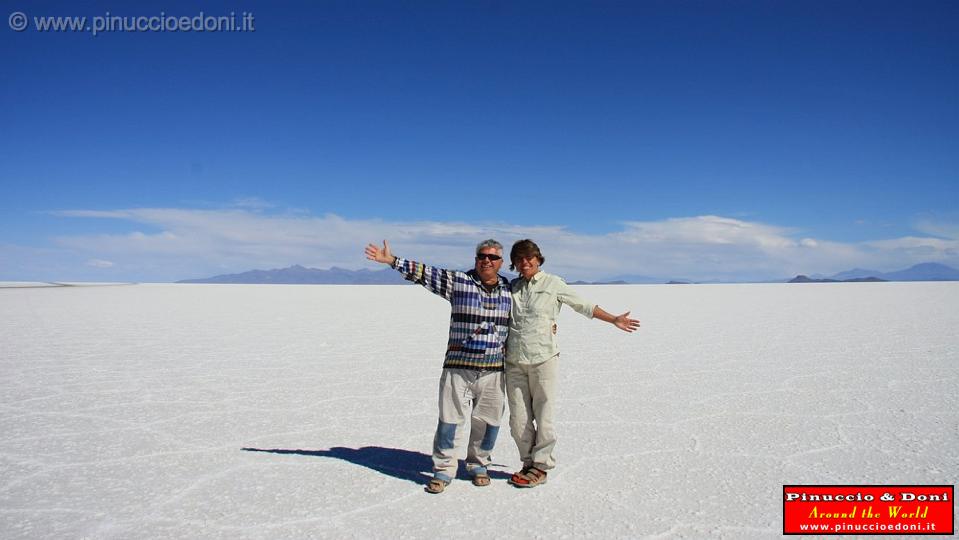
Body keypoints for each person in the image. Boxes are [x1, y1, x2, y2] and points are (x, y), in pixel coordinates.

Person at [364, 239, 512, 494]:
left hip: (495, 371)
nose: (486, 260)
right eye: (482, 255)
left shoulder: (511, 290)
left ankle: (479, 465)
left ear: (501, 262)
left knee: (488, 423)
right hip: (458, 369)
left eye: (492, 257)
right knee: (450, 421)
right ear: (476, 258)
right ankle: (443, 470)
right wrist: (392, 261)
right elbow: (424, 273)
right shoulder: (458, 282)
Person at [505, 239, 640, 488]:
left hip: (544, 359)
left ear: (538, 259)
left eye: (529, 258)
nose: (525, 263)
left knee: (544, 416)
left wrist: (613, 319)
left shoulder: (553, 283)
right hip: (514, 361)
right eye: (519, 259)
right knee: (518, 420)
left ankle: (541, 466)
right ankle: (527, 463)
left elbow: (583, 306)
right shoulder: (511, 287)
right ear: (514, 263)